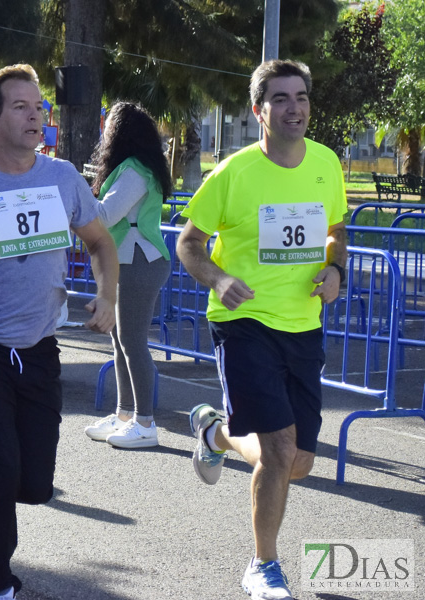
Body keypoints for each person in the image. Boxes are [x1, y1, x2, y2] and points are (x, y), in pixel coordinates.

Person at [176, 59, 347, 600]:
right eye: (280, 99)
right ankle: (263, 566)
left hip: (303, 324)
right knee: (277, 452)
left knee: (297, 462)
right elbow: (188, 242)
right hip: (243, 320)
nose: (293, 107)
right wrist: (217, 278)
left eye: (300, 97)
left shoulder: (326, 164)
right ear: (258, 111)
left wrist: (335, 268)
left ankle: (216, 434)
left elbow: (336, 229)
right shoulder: (233, 172)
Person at [0, 64, 117, 600]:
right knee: (1, 471)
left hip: (41, 348)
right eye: (21, 107)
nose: (36, 116)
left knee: (34, 483)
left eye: (39, 107)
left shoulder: (63, 177)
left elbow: (100, 243)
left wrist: (107, 296)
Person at [84, 102, 174, 449]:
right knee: (120, 342)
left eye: (108, 127)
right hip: (129, 260)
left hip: (140, 260)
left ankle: (146, 422)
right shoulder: (131, 168)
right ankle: (125, 414)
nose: (104, 133)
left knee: (133, 343)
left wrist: (77, 196)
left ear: (119, 133)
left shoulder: (135, 171)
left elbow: (105, 216)